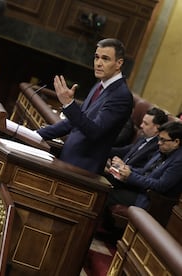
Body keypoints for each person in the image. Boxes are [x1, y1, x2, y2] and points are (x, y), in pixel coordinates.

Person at [36, 38, 134, 174]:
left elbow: (94, 132)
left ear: (119, 63)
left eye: (105, 59)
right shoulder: (99, 85)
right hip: (68, 160)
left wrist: (69, 104)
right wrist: (35, 135)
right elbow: (73, 122)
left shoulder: (121, 96)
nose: (98, 63)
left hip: (83, 170)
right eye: (96, 57)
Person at [107, 120, 182, 209]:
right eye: (159, 138)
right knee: (107, 184)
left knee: (107, 194)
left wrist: (131, 176)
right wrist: (125, 168)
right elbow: (145, 171)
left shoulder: (179, 161)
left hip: (150, 199)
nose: (159, 143)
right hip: (139, 189)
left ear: (176, 142)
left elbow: (160, 186)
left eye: (163, 140)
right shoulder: (162, 151)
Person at [108, 107, 169, 172]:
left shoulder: (157, 147)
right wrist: (104, 150)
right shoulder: (144, 137)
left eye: (146, 123)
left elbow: (144, 171)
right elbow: (125, 150)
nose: (141, 125)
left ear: (156, 128)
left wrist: (123, 166)